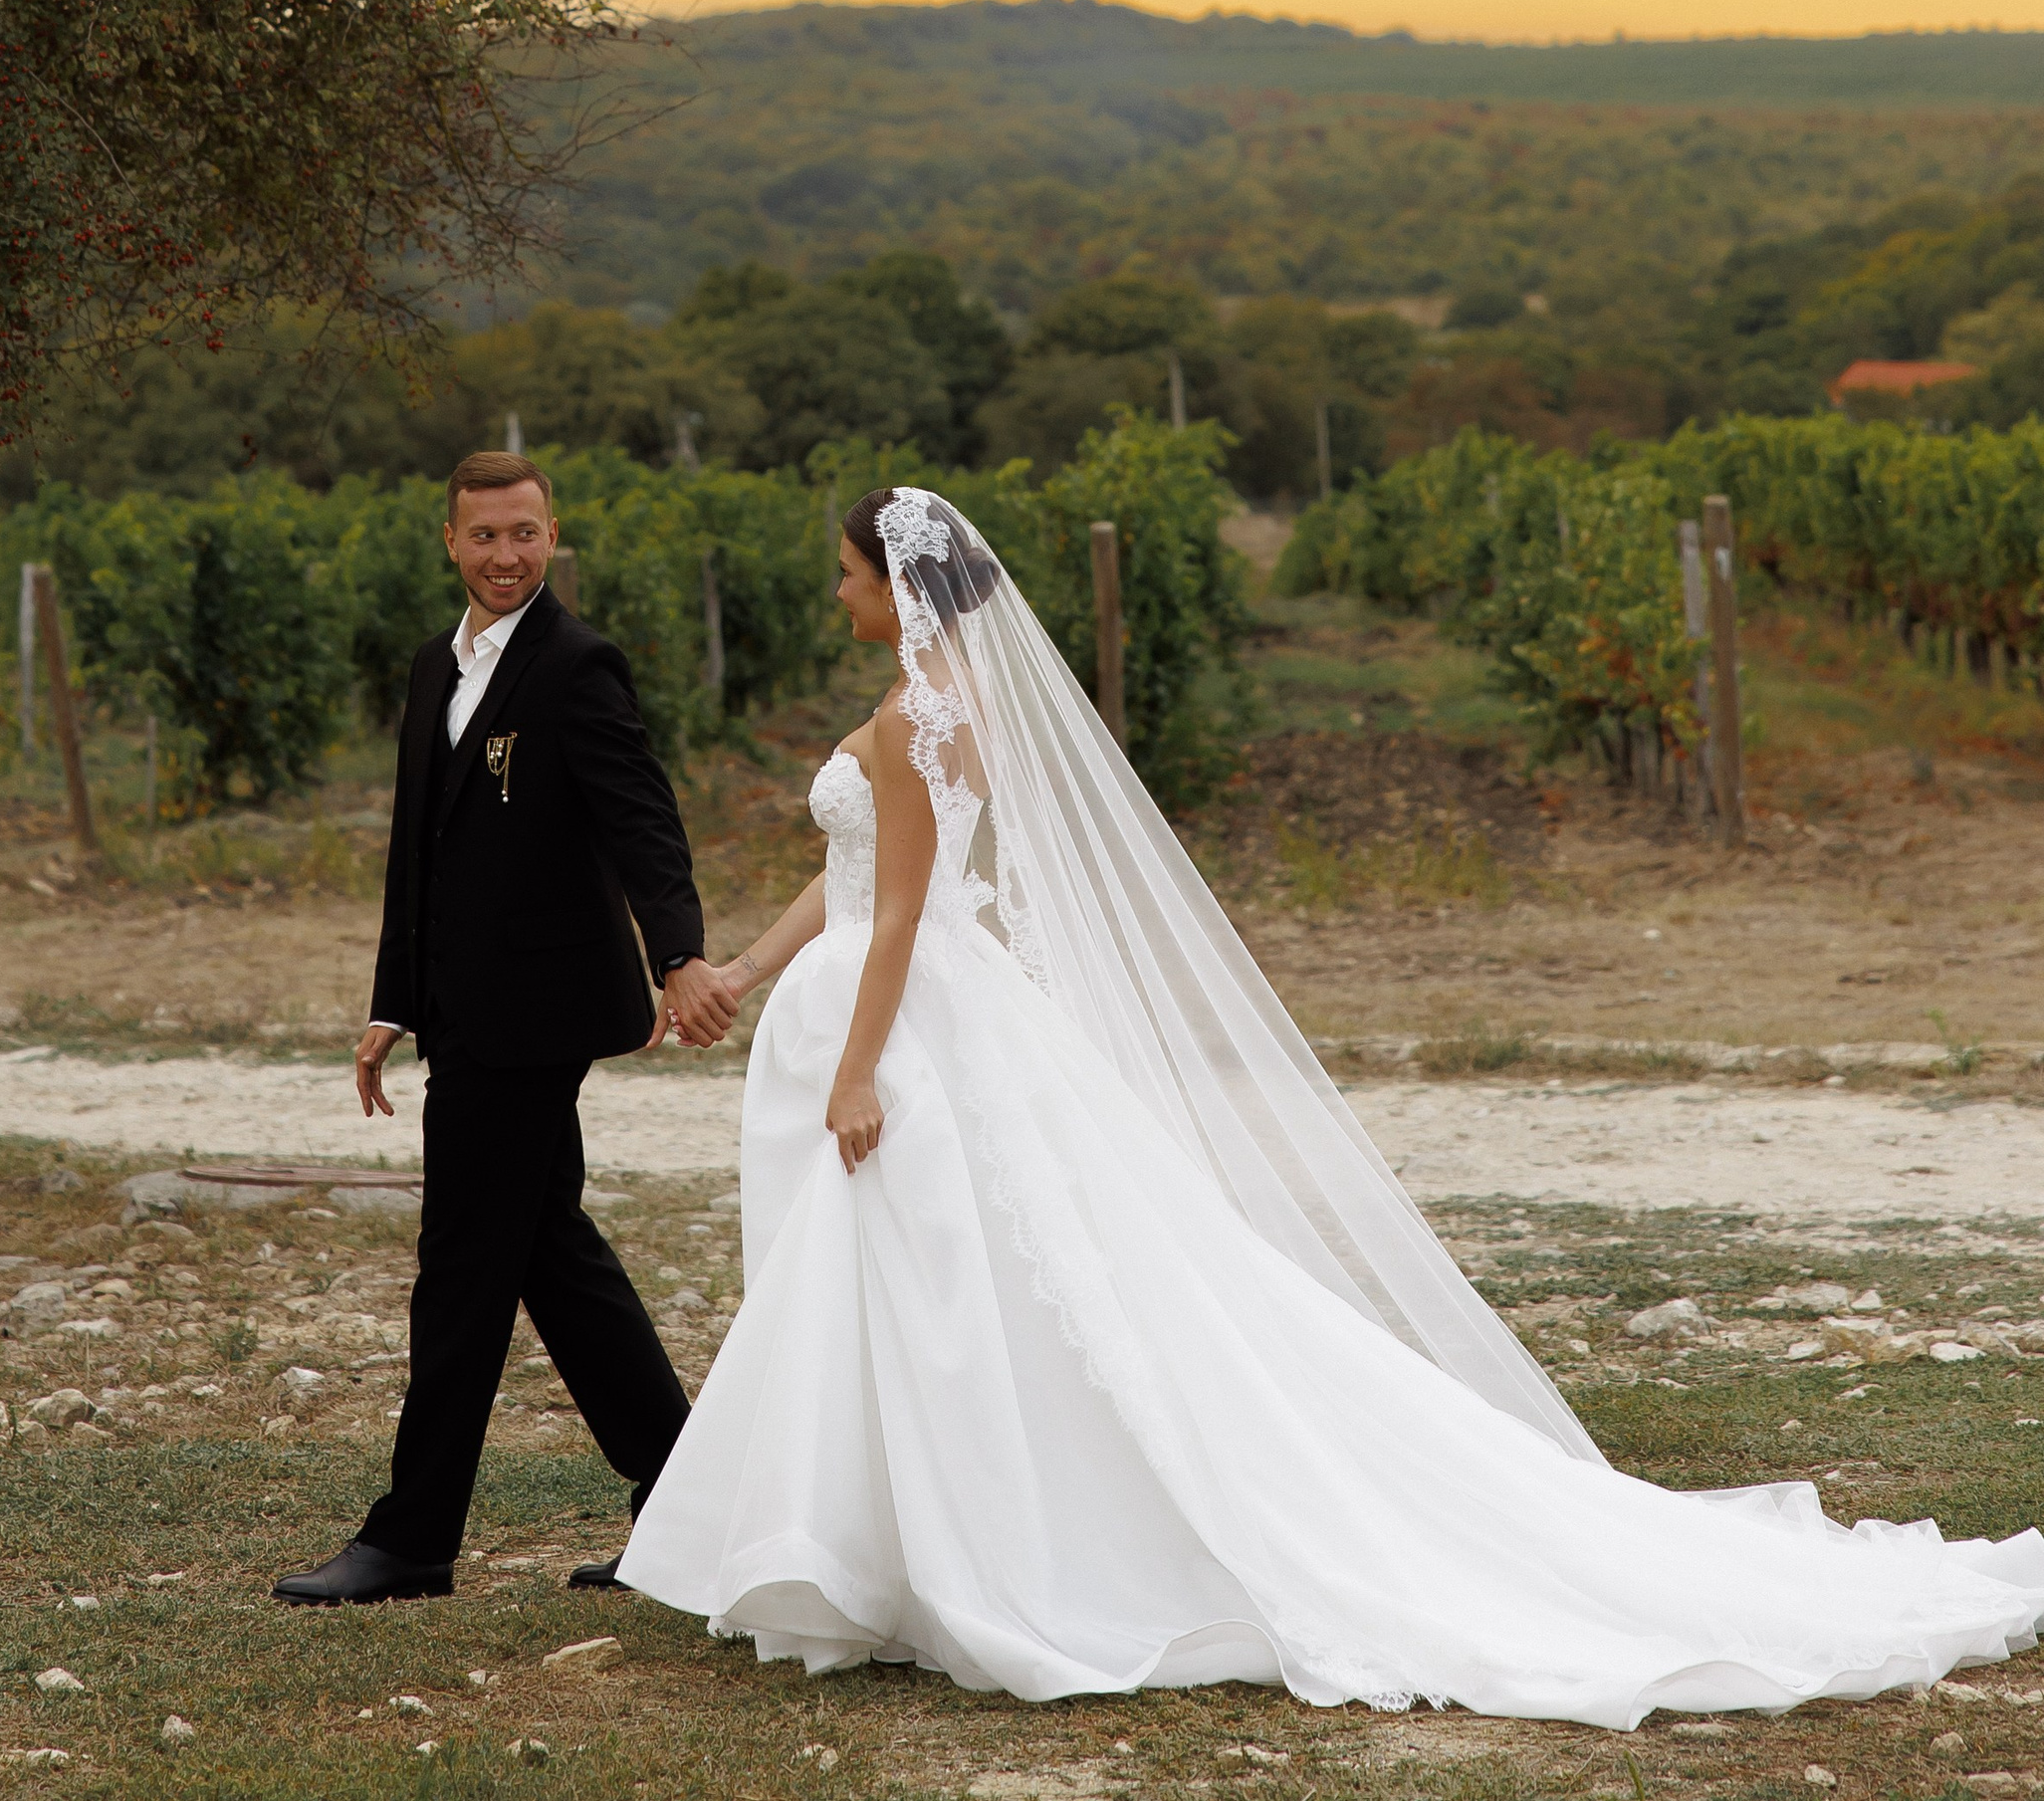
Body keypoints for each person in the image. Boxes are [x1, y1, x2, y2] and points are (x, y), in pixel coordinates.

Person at [621, 482, 2044, 1718]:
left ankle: (943, 1553)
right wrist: (746, 966)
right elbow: (866, 869)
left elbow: (906, 910)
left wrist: (860, 1066)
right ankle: (881, 1548)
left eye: (851, 572)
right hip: (932, 1004)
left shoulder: (915, 714)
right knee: (932, 1284)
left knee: (938, 1283)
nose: (837, 591)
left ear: (899, 586)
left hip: (916, 1022)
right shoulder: (935, 712)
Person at [274, 450, 741, 1607]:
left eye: (524, 533)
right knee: (548, 1252)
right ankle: (691, 1497)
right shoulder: (437, 662)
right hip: (462, 1009)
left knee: (462, 1267)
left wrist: (677, 953)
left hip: (539, 1013)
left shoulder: (580, 665)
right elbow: (416, 851)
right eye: (484, 535)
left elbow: (643, 820)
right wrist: (395, 1000)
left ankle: (415, 1535)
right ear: (450, 539)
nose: (505, 555)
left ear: (551, 534)